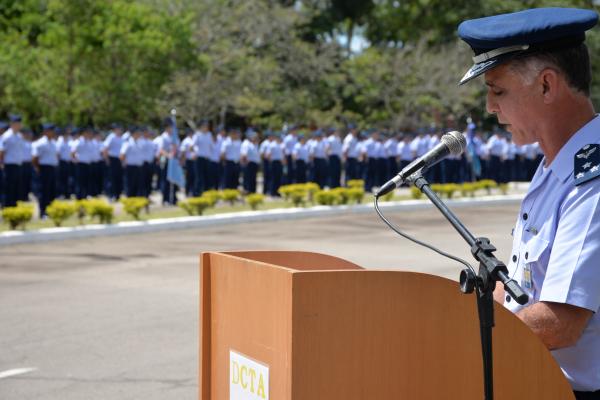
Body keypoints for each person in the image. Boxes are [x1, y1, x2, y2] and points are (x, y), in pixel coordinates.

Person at [458, 7, 600, 398]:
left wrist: (455, 338)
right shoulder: (553, 168)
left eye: (497, 90)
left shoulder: (592, 182)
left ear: (546, 85)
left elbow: (559, 322)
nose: (489, 107)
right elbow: (522, 286)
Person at [32, 123, 58, 217]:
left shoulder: (54, 142)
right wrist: (38, 168)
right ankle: (43, 212)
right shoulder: (40, 143)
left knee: (52, 190)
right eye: (51, 131)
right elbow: (35, 158)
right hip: (44, 168)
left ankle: (51, 210)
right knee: (43, 191)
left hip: (52, 168)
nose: (53, 133)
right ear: (46, 132)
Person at [0, 115, 24, 207]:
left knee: (16, 188)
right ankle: (7, 207)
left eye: (19, 124)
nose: (19, 126)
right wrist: (2, 164)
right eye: (17, 124)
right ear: (12, 124)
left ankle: (14, 206)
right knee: (9, 187)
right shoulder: (6, 136)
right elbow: (2, 152)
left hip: (18, 164)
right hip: (9, 165)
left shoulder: (19, 136)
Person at [102, 123, 124, 201]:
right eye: (118, 129)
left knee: (118, 178)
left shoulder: (121, 138)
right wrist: (107, 160)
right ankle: (111, 195)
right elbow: (105, 149)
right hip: (112, 159)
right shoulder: (111, 137)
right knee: (111, 178)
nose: (120, 130)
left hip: (119, 160)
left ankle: (117, 195)